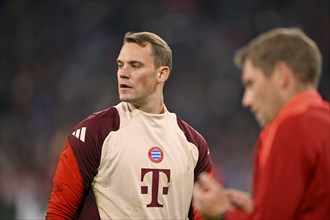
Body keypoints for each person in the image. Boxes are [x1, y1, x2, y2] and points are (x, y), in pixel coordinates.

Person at [46, 31, 214, 219]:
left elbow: (205, 215)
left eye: (135, 65)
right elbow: (59, 212)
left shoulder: (194, 144)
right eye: (120, 65)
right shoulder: (93, 133)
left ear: (161, 73)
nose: (123, 74)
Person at [193, 27, 330, 220]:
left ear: (281, 76)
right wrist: (251, 209)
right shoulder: (323, 122)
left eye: (251, 83)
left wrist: (222, 213)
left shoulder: (291, 128)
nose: (247, 100)